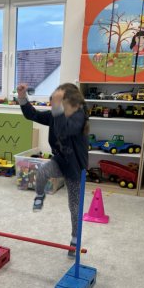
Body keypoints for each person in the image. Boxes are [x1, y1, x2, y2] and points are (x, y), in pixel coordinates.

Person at [17, 82, 89, 257]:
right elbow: (32, 114)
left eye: (61, 103)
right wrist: (22, 97)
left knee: (74, 206)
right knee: (42, 171)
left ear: (73, 104)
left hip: (75, 167)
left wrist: (57, 107)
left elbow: (65, 129)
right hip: (60, 161)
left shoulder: (79, 118)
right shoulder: (54, 115)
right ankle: (40, 195)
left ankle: (75, 239)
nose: (57, 107)